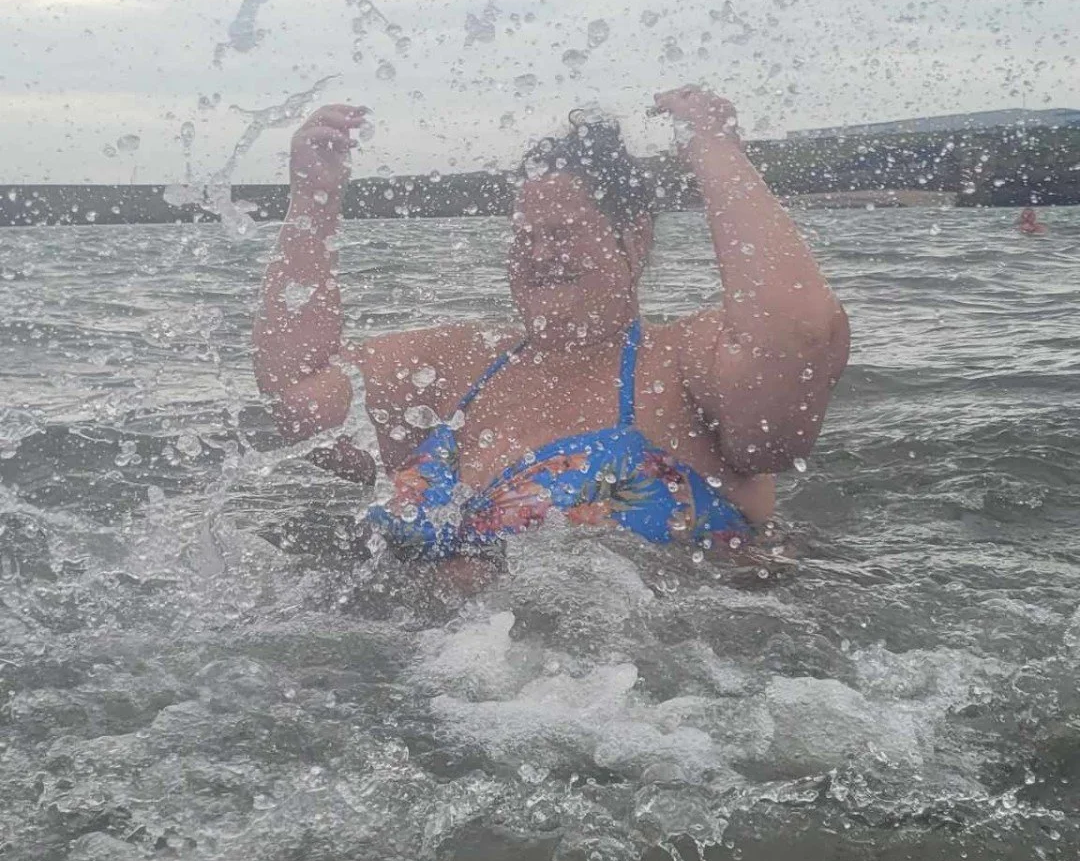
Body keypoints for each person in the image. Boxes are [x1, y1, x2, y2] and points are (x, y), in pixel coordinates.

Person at [252, 85, 849, 570]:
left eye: (562, 234)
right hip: (420, 668)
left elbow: (797, 336)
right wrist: (314, 200)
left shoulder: (682, 364)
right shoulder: (462, 362)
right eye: (524, 238)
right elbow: (298, 399)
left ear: (635, 238)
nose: (538, 255)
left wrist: (714, 148)